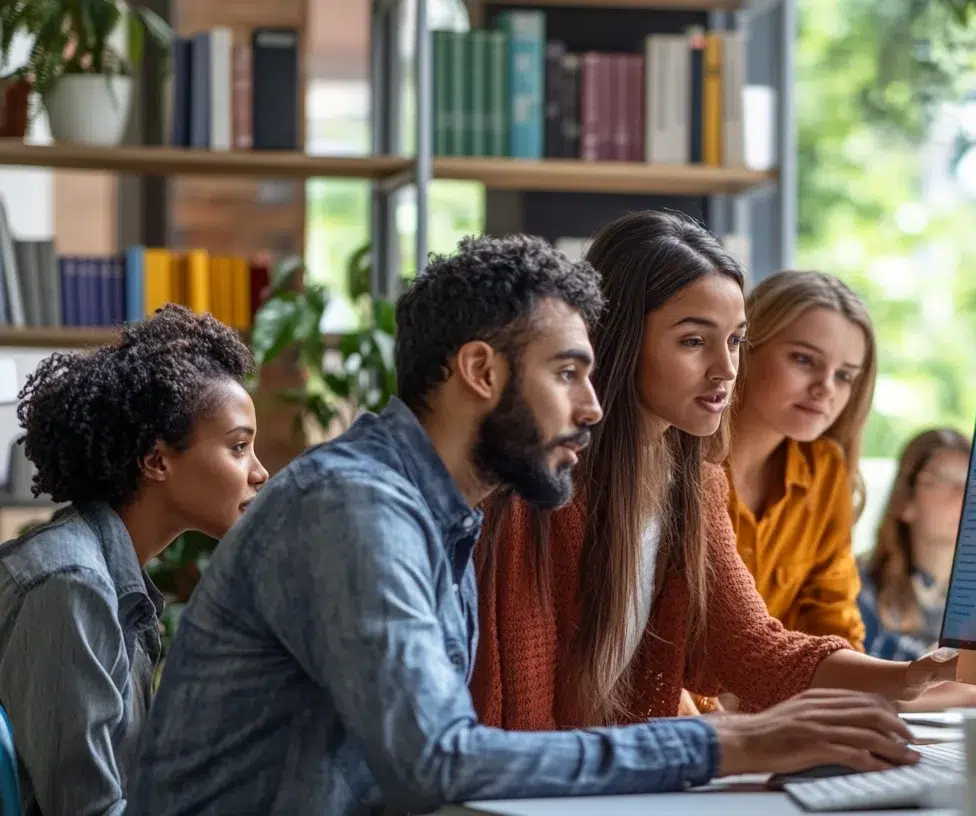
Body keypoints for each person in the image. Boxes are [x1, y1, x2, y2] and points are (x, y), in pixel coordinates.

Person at [128, 235, 919, 815]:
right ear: (480, 371)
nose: (593, 405)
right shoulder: (356, 510)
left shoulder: (445, 515)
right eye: (569, 372)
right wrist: (730, 743)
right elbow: (440, 760)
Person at [472, 210, 968, 734]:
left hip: (621, 775)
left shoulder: (696, 483)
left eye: (734, 341)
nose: (726, 369)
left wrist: (910, 677)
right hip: (531, 786)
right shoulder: (533, 480)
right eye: (693, 341)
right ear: (619, 336)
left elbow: (754, 648)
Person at [0, 305, 268, 816]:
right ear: (156, 460)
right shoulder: (70, 585)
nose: (260, 473)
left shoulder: (111, 580)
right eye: (238, 447)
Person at [725, 270, 874, 648]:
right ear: (744, 347)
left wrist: (921, 685)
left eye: (844, 376)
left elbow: (833, 626)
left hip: (777, 703)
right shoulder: (673, 465)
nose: (825, 388)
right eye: (804, 360)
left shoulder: (825, 470)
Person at [857, 427, 971, 662]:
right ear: (906, 500)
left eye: (975, 481)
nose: (965, 494)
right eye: (943, 480)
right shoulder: (857, 587)